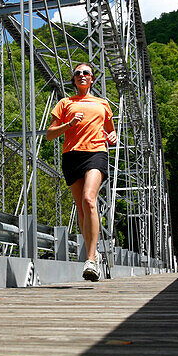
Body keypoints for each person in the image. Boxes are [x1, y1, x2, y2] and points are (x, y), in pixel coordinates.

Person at [46, 62, 117, 281]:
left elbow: (111, 132)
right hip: (71, 155)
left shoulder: (102, 104)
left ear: (92, 78)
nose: (82, 75)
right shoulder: (65, 103)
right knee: (81, 209)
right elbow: (49, 134)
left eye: (86, 73)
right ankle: (91, 253)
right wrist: (68, 124)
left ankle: (91, 260)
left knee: (89, 199)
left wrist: (113, 138)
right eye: (77, 73)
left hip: (96, 153)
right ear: (73, 79)